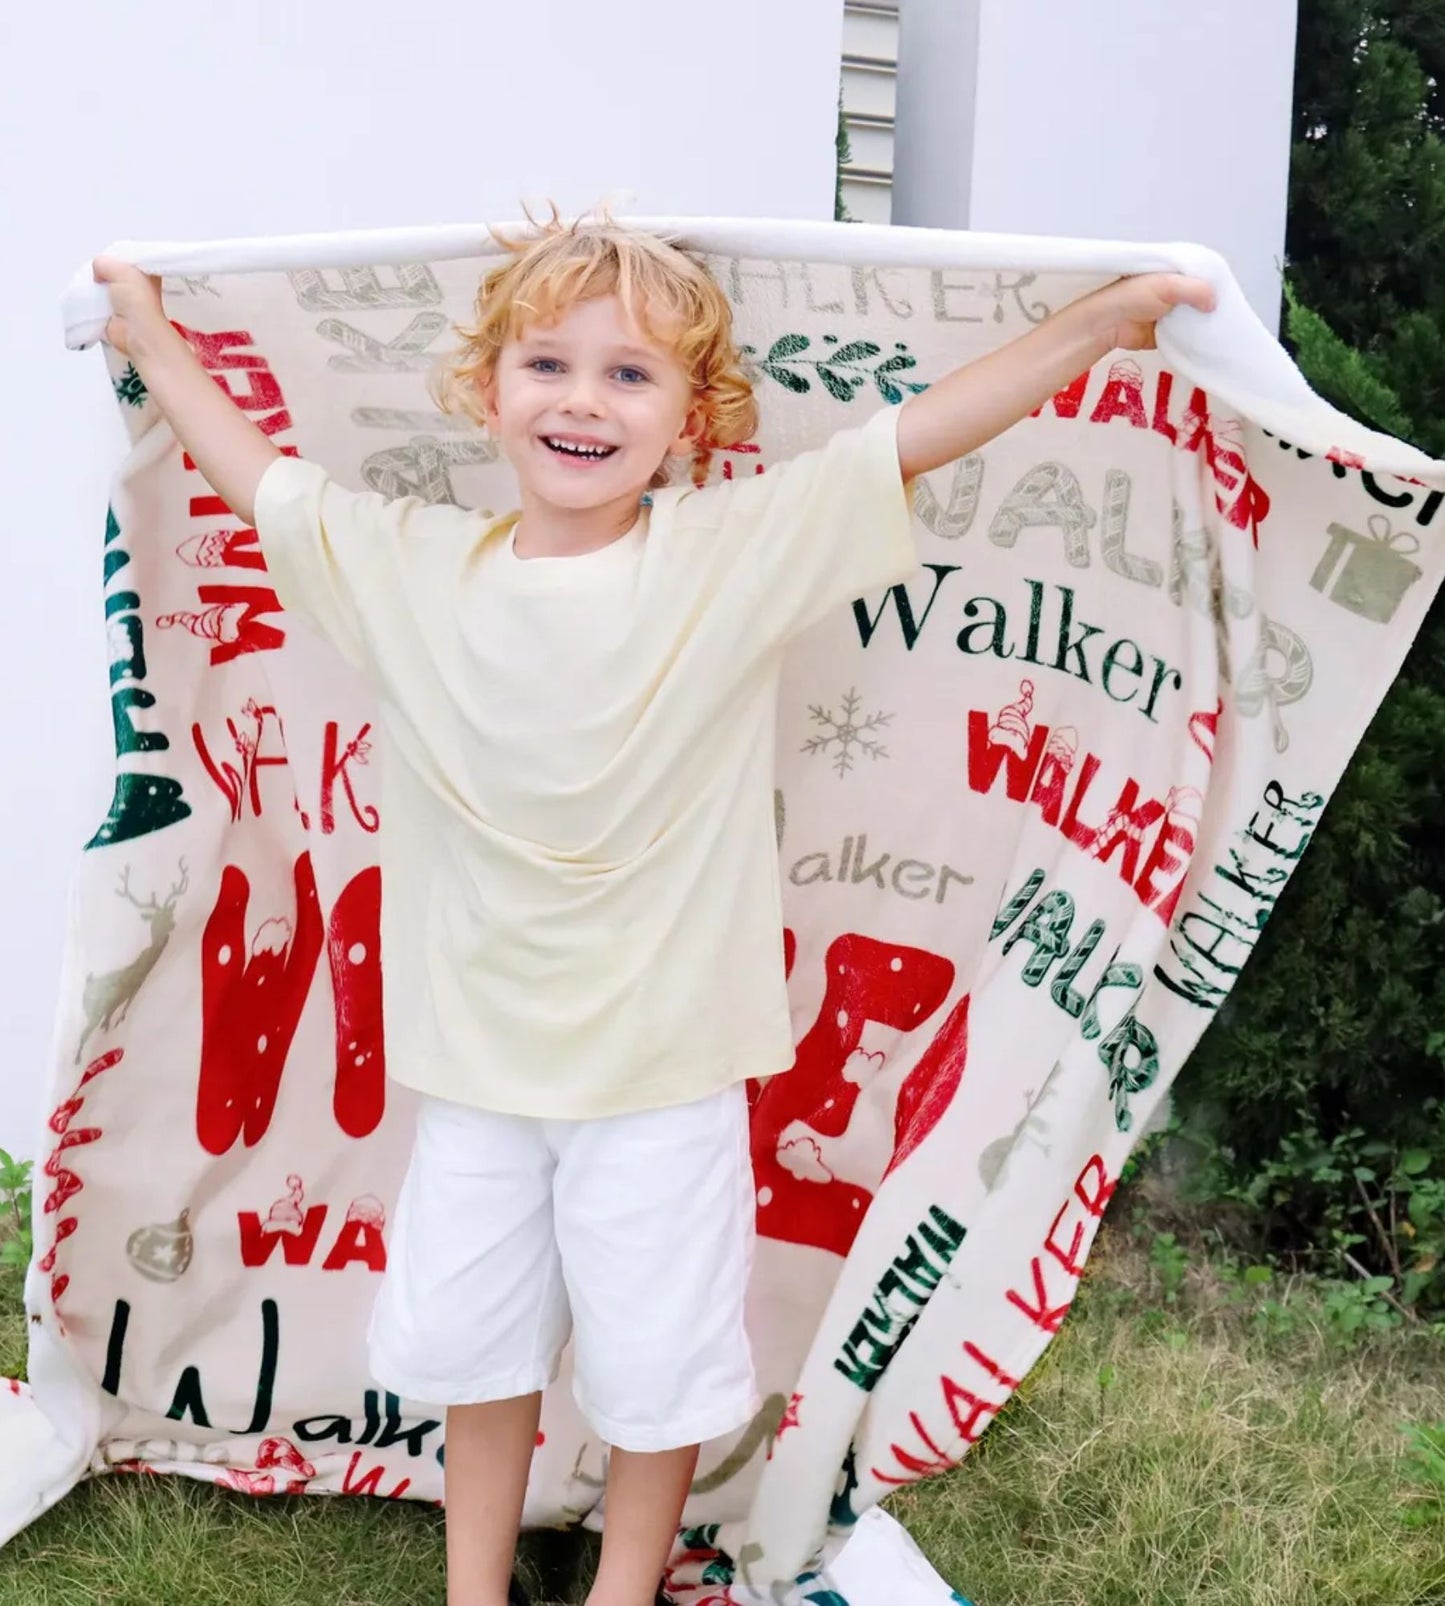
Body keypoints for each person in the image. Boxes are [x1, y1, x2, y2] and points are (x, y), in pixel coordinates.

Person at [92, 210, 1214, 1606]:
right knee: (471, 1342)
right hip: (479, 1076)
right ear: (487, 391)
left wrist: (1098, 323)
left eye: (631, 375)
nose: (582, 400)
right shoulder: (406, 566)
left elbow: (914, 435)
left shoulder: (722, 552)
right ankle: (472, 1585)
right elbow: (254, 473)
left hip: (662, 1077)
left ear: (694, 415)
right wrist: (146, 329)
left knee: (655, 1356)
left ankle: (622, 1587)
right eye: (549, 364)